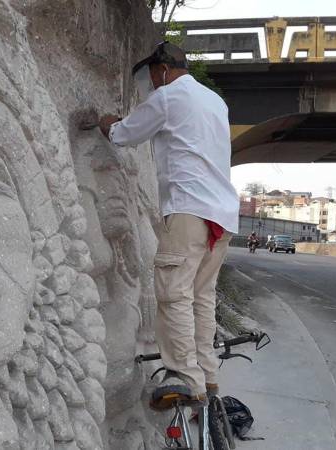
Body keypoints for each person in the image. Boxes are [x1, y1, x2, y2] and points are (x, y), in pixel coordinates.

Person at [98, 41, 239, 409]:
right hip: (221, 215)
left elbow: (125, 134)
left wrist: (106, 124)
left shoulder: (169, 96)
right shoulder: (215, 101)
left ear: (162, 69)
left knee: (173, 292)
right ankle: (207, 376)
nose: (152, 86)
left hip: (189, 210)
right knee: (201, 298)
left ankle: (184, 377)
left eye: (152, 78)